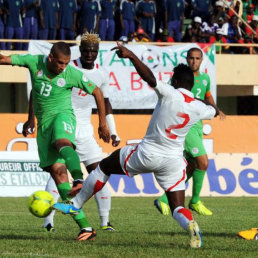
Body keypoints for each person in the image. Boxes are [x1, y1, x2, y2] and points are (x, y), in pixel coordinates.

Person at [53, 42, 219, 248]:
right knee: (177, 207)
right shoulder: (199, 107)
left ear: (175, 81)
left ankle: (76, 205)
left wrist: (131, 55)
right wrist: (206, 102)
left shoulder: (169, 93)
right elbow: (213, 110)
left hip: (147, 153)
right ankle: (190, 225)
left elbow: (149, 77)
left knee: (104, 167)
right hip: (174, 162)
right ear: (192, 85)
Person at [0, 41, 110, 240]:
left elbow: (97, 92)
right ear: (50, 58)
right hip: (44, 127)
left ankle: (78, 178)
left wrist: (103, 123)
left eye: (66, 63)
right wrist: (30, 118)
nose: (63, 67)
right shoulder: (33, 62)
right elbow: (4, 59)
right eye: (60, 63)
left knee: (62, 143)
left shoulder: (71, 73)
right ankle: (86, 228)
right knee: (59, 176)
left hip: (63, 116)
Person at [23, 33, 120, 232]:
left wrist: (110, 128)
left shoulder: (102, 74)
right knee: (57, 173)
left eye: (93, 51)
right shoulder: (67, 66)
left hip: (86, 130)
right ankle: (48, 221)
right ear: (80, 50)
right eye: (85, 50)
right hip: (64, 122)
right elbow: (38, 88)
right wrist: (31, 117)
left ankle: (104, 222)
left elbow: (105, 101)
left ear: (97, 52)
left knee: (100, 173)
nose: (89, 54)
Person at [154, 47, 226, 216]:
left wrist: (216, 108)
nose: (194, 61)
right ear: (187, 59)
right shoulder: (180, 79)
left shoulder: (205, 78)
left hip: (198, 125)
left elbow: (208, 96)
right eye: (191, 58)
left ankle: (165, 199)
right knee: (203, 162)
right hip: (185, 125)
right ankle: (195, 201)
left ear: (202, 60)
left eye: (197, 58)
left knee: (193, 166)